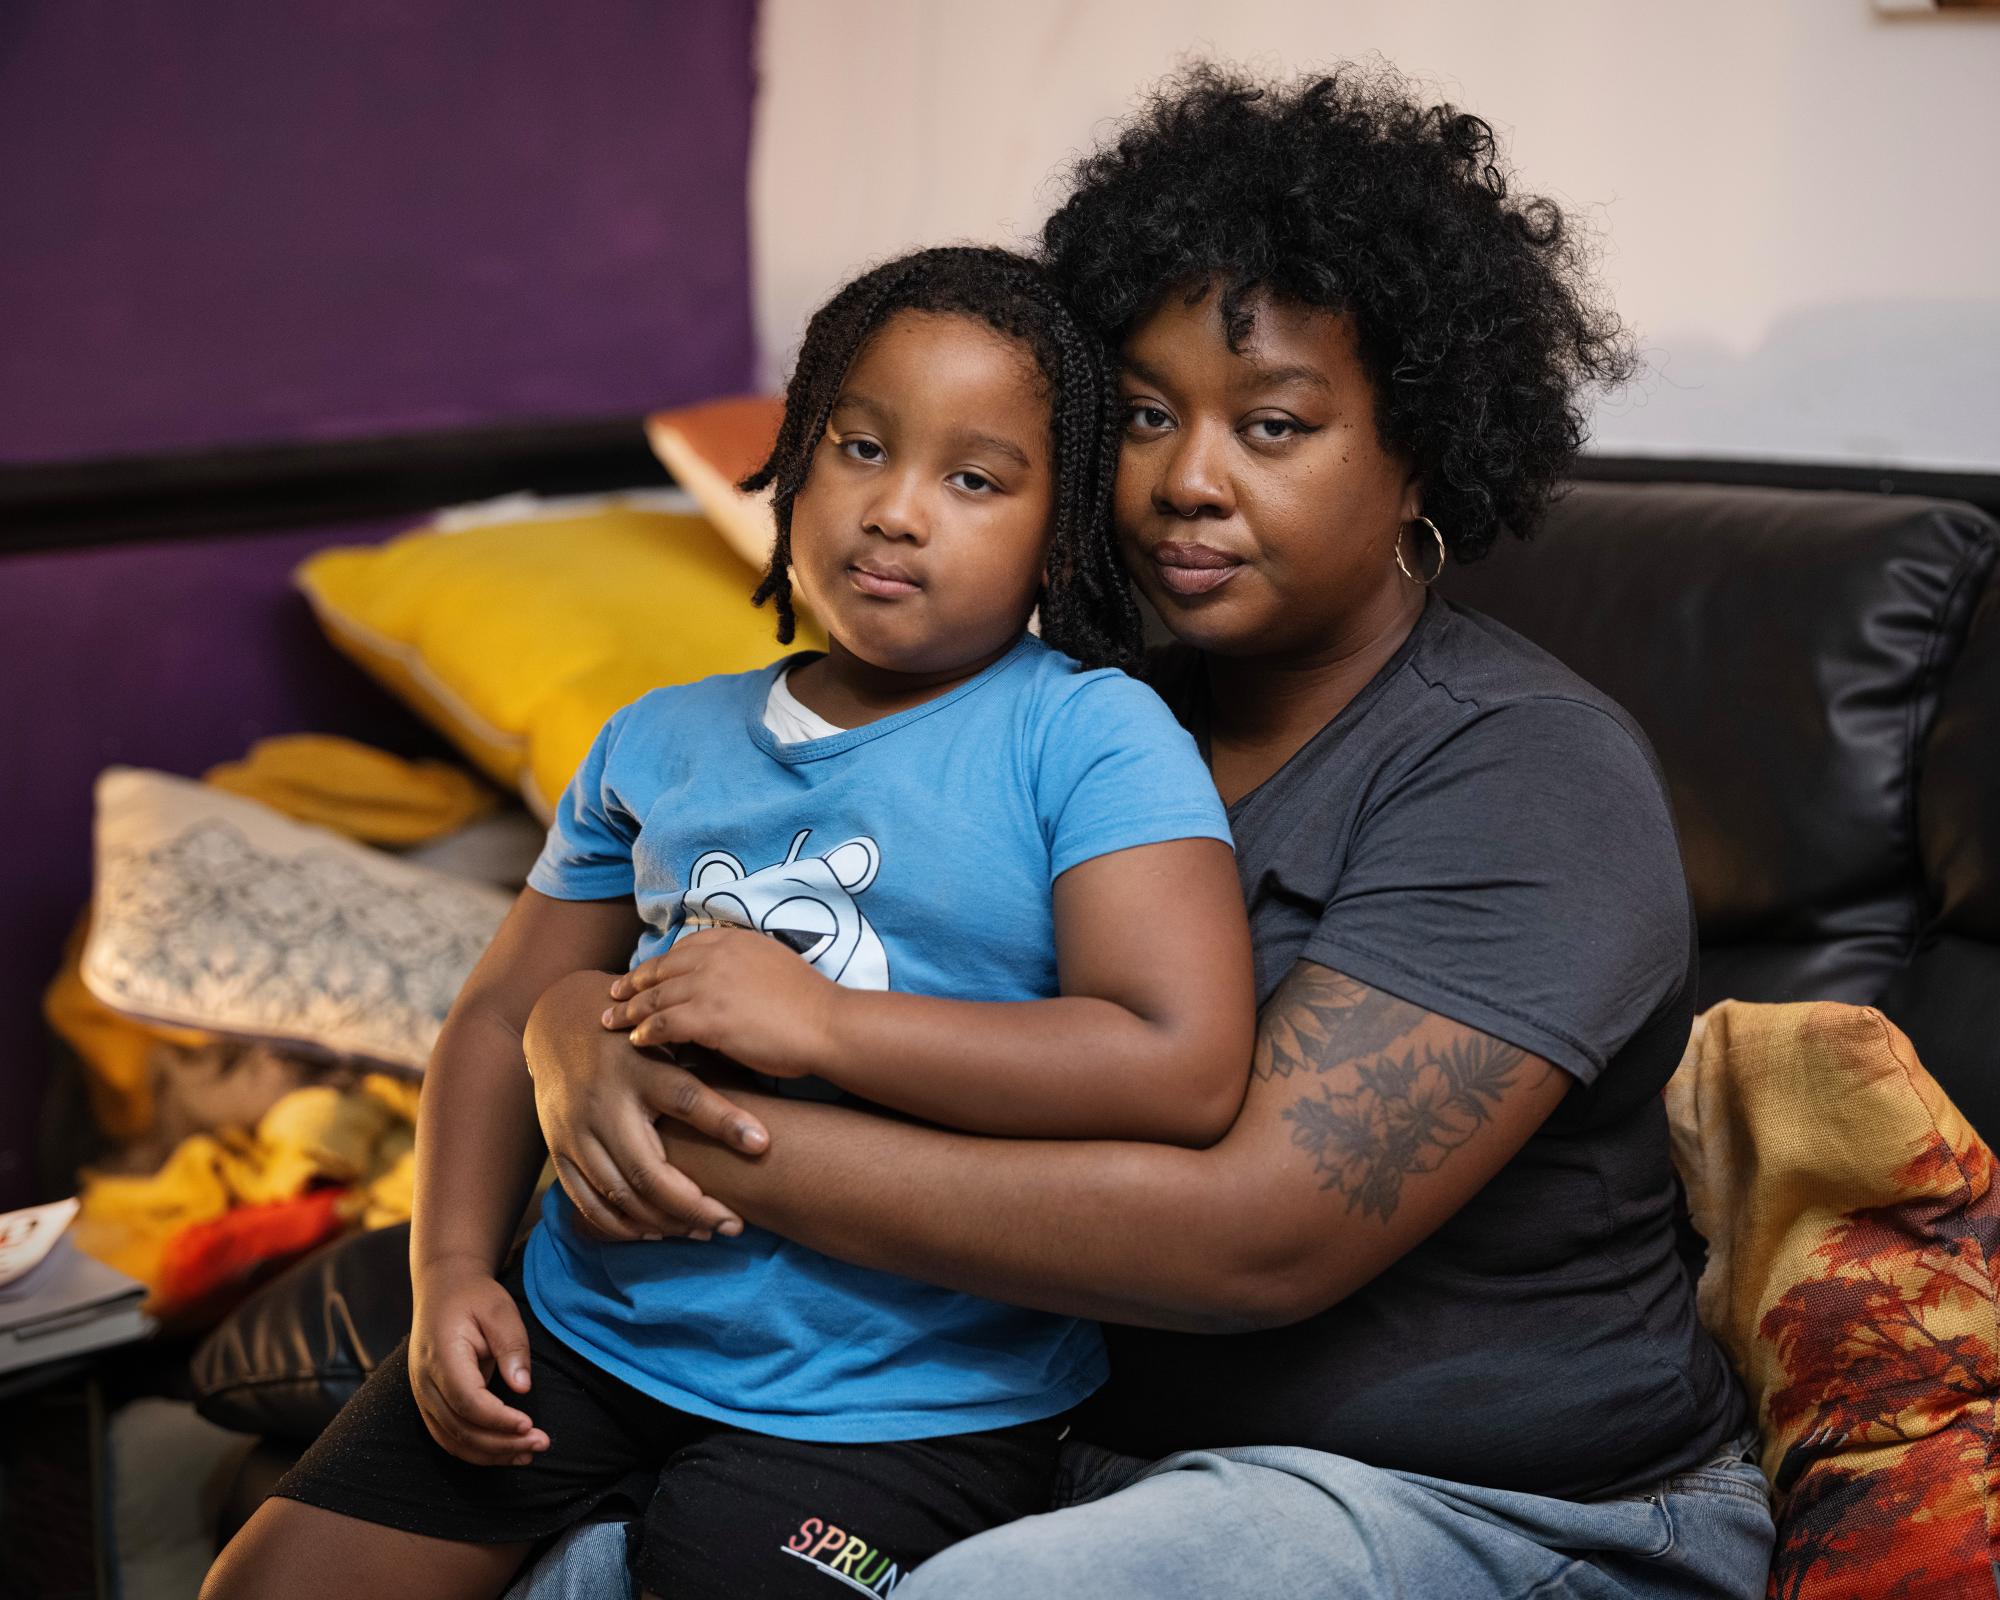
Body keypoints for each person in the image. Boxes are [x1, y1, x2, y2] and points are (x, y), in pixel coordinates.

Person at [525, 65, 1778, 1598]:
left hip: (1504, 1503)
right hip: (1049, 1440)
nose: (1188, 480)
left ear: (1423, 454)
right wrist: (568, 1032)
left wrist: (664, 1120)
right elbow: (709, 925)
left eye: (1275, 426)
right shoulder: (1066, 718)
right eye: (1140, 417)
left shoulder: (1529, 775)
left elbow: (1254, 1241)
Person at [200, 245, 1257, 1600]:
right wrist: (454, 1269)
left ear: (1059, 526)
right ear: (793, 466)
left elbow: (1179, 1062)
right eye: (859, 449)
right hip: (583, 1333)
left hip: (904, 1406)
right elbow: (504, 1010)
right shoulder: (659, 738)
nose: (895, 511)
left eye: (974, 479)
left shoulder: (1092, 736)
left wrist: (822, 1022)